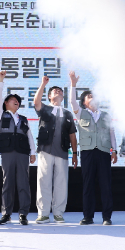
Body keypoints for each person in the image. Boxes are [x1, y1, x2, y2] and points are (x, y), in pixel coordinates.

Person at [69, 71, 117, 225]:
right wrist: (73, 84)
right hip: (88, 152)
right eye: (89, 97)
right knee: (88, 184)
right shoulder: (81, 113)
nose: (93, 98)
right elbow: (72, 102)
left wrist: (114, 151)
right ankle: (88, 216)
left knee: (106, 184)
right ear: (84, 102)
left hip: (103, 152)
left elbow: (112, 134)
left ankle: (106, 217)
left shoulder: (105, 115)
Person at [33, 76, 78, 224]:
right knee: (44, 181)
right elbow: (36, 102)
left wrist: (75, 153)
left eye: (60, 91)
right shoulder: (45, 109)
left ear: (63, 96)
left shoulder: (67, 113)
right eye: (54, 91)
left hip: (63, 152)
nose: (58, 92)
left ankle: (58, 213)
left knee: (61, 183)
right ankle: (43, 213)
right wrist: (43, 84)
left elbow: (72, 135)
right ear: (50, 96)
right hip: (45, 150)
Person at [0, 70, 36, 225]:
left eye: (17, 100)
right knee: (8, 183)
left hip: (23, 153)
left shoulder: (24, 119)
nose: (15, 101)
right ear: (6, 103)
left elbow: (29, 136)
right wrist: (1, 80)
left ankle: (23, 214)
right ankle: (6, 213)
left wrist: (32, 152)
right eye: (12, 100)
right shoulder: (0, 115)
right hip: (7, 153)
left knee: (23, 182)